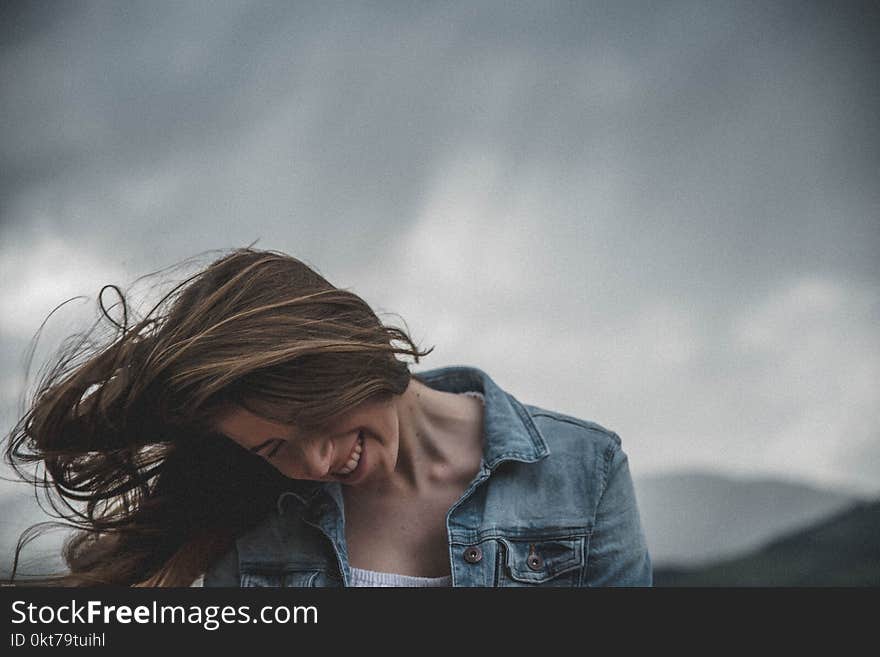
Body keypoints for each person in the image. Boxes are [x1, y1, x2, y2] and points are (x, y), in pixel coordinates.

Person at [4, 247, 652, 587]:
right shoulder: (255, 517)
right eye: (271, 450)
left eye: (305, 421)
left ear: (339, 357)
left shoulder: (582, 472)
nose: (312, 464)